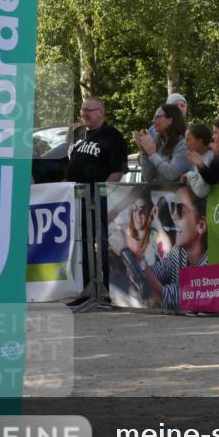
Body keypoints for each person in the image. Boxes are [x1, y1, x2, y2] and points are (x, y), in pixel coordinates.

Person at [64, 97, 128, 307]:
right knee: (81, 245)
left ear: (101, 112)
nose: (84, 114)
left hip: (99, 199)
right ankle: (87, 290)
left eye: (89, 110)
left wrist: (104, 194)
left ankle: (108, 291)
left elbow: (118, 170)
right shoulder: (78, 134)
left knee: (103, 243)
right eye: (82, 110)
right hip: (77, 198)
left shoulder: (113, 136)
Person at [143, 185, 208, 312]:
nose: (173, 215)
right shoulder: (178, 252)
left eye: (180, 210)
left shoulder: (210, 262)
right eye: (172, 207)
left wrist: (138, 259)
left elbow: (169, 296)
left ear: (200, 225)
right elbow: (159, 271)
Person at [136, 103, 191, 182]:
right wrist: (144, 153)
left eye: (157, 117)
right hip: (158, 193)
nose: (153, 120)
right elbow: (148, 177)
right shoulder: (160, 143)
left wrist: (152, 154)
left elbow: (172, 174)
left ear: (170, 120)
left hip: (175, 193)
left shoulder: (184, 144)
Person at [183, 123, 214, 197]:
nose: (185, 143)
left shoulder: (209, 159)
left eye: (188, 140)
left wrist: (189, 175)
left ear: (200, 142)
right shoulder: (200, 156)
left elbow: (200, 191)